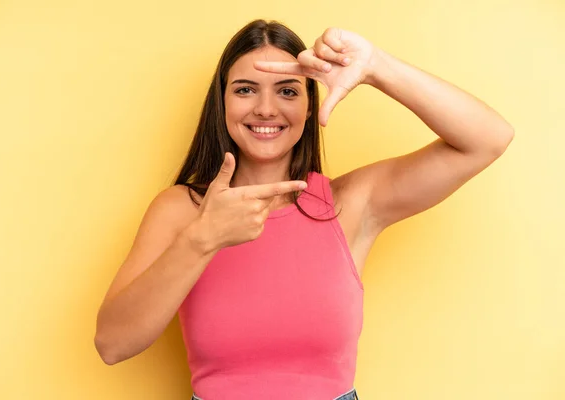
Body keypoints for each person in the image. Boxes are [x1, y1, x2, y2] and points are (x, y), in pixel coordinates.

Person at [94, 19, 514, 400]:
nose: (265, 109)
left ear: (309, 106)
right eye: (245, 89)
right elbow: (112, 345)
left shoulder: (350, 204)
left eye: (288, 91)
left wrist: (375, 66)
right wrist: (202, 239)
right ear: (221, 104)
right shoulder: (181, 210)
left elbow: (487, 138)